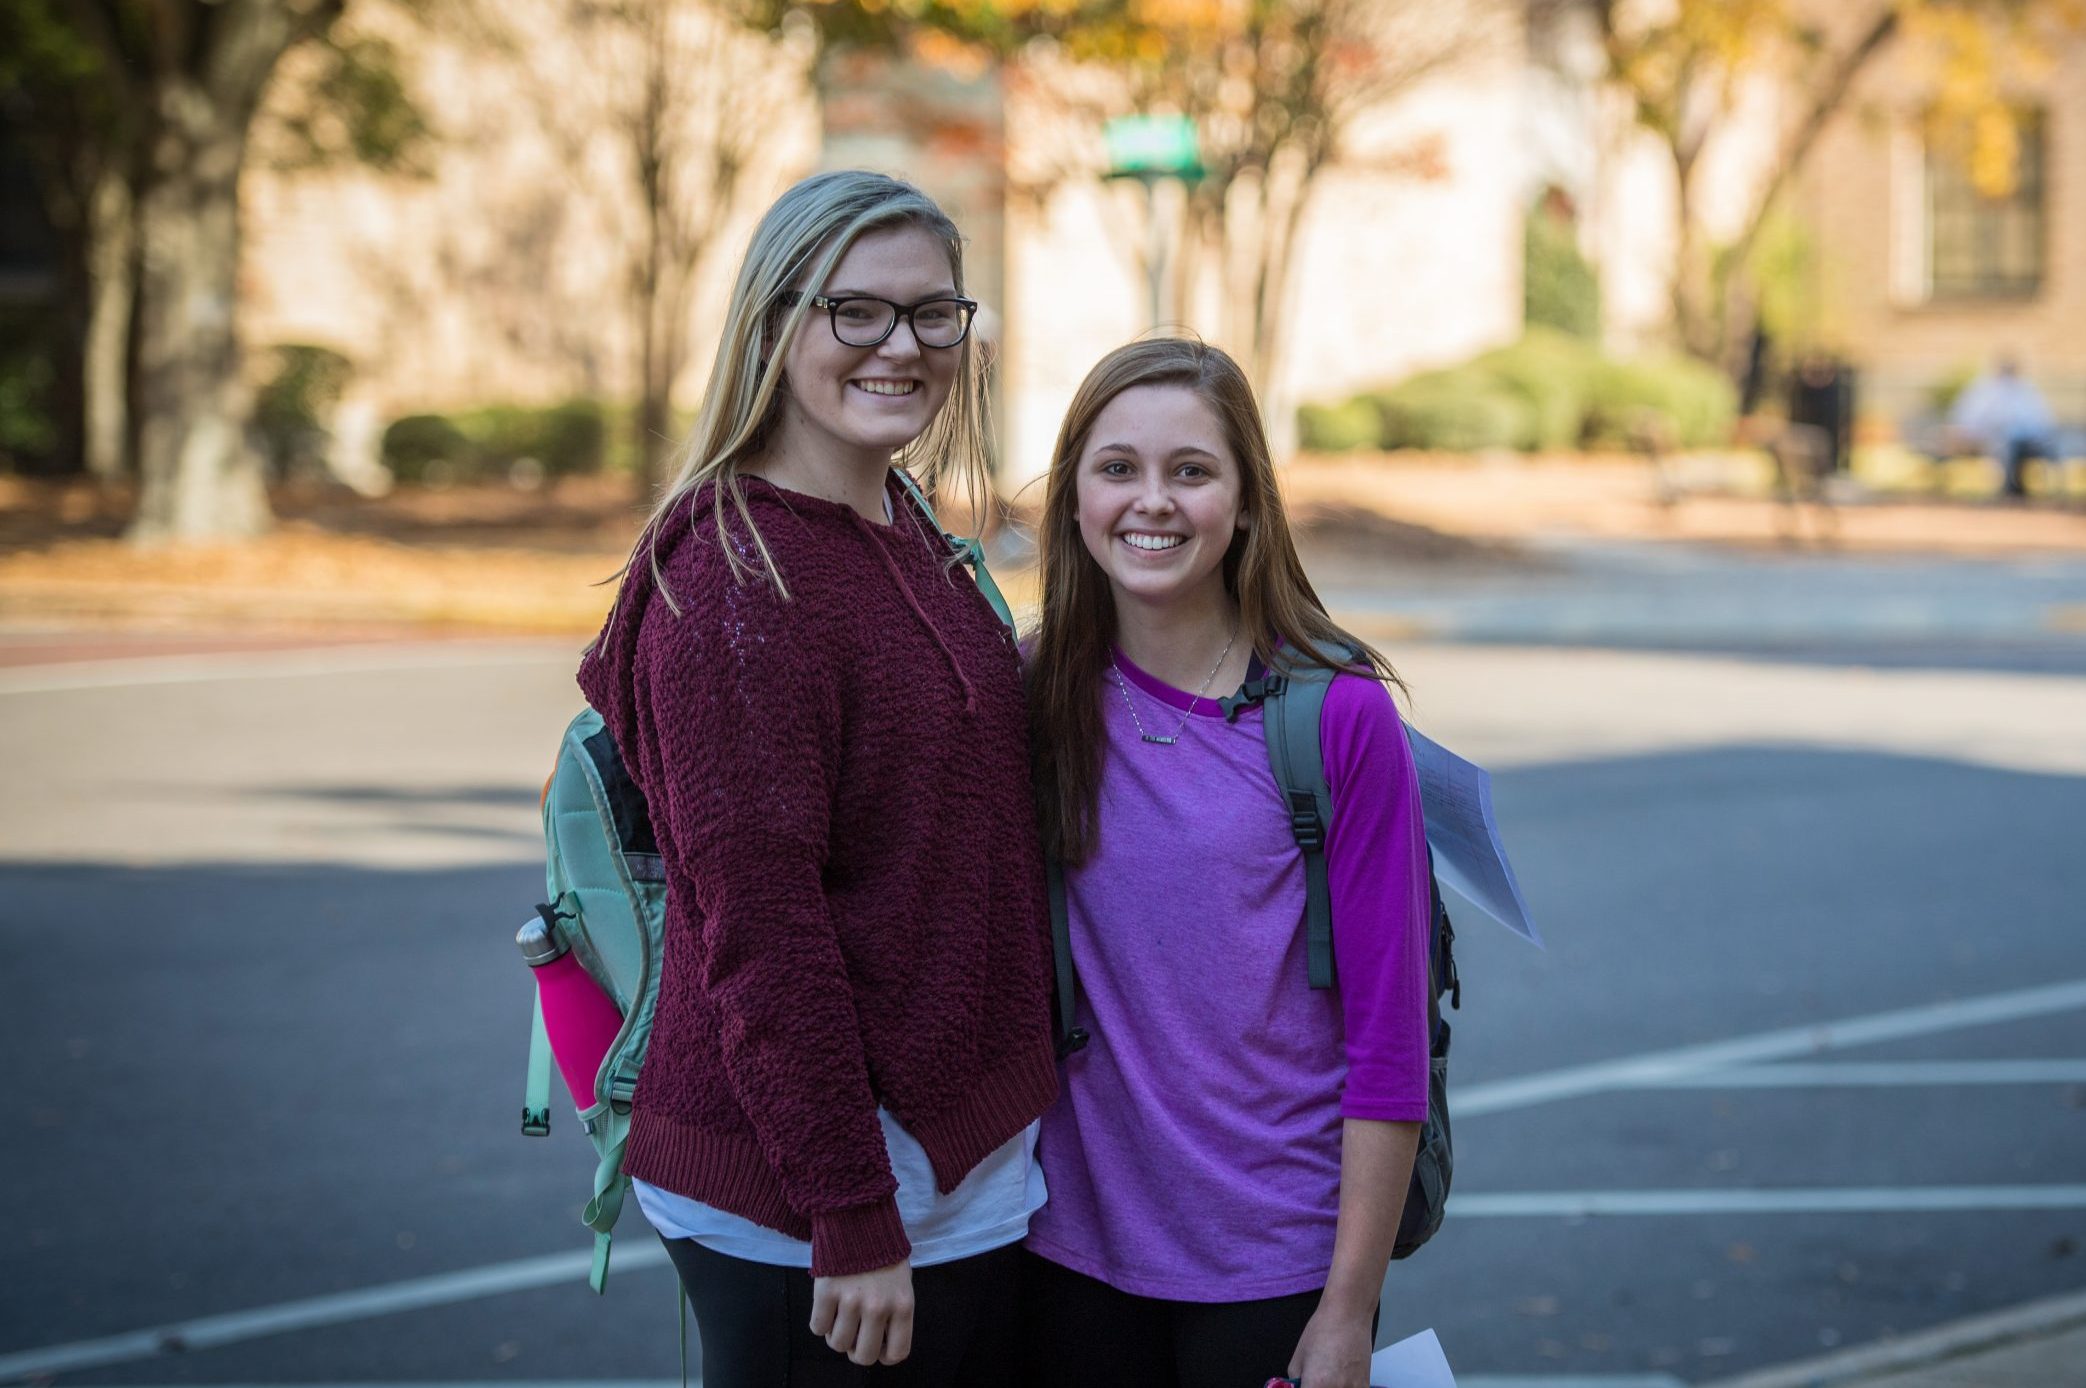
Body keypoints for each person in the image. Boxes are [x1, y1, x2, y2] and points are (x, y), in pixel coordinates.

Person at [575, 170, 1060, 1385]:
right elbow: (764, 929)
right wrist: (848, 1214)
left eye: (932, 313)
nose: (902, 345)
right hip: (823, 1203)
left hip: (949, 1165)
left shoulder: (899, 522)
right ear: (774, 322)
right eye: (858, 311)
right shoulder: (736, 585)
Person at [1020, 338, 1432, 1388]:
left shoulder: (1337, 715)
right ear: (1073, 493)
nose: (1149, 501)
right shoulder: (1028, 694)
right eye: (1116, 467)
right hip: (1065, 1252)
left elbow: (1389, 1037)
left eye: (1190, 471)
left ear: (1246, 500)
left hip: (1276, 1264)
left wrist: (1348, 1309)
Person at [1949, 353, 2057, 499]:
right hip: (1990, 438)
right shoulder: (1984, 389)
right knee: (2006, 444)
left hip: (2025, 439)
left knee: (2020, 443)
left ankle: (2020, 489)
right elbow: (1970, 418)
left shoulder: (2026, 389)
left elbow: (2039, 419)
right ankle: (2010, 490)